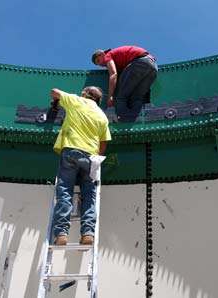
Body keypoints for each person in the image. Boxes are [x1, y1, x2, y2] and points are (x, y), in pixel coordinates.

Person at [51, 86, 112, 245]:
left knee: (65, 191)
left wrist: (56, 101)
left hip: (71, 151)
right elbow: (103, 142)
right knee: (89, 194)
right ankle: (88, 232)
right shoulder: (102, 116)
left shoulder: (76, 100)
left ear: (85, 94)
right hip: (91, 157)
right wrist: (96, 158)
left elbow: (54, 91)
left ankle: (61, 233)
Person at [92, 46, 158, 122]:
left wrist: (110, 96)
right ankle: (136, 121)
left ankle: (124, 122)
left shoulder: (108, 55)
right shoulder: (118, 58)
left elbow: (113, 74)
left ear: (101, 54)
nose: (100, 64)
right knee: (137, 97)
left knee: (121, 98)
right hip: (153, 66)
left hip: (140, 63)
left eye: (98, 61)